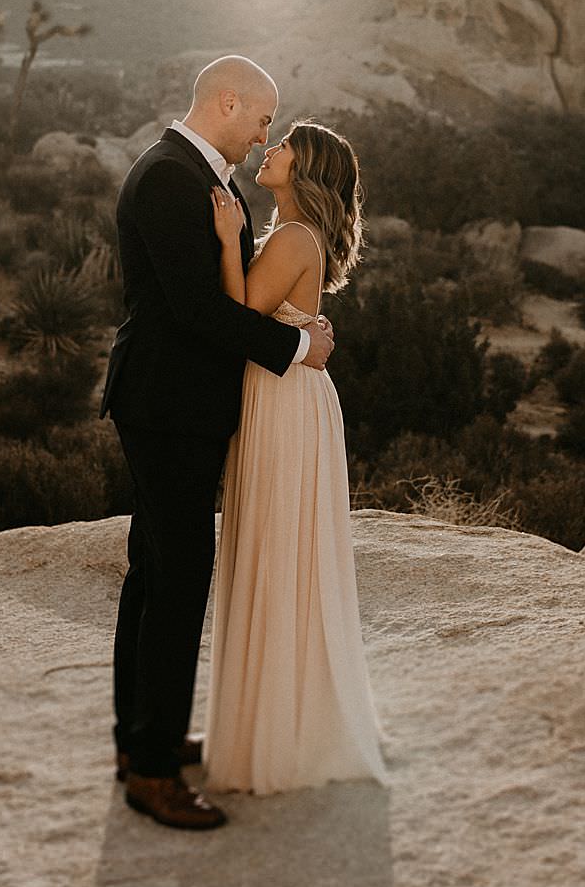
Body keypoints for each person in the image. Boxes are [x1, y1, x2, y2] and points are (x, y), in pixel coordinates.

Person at [101, 55, 336, 831]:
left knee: (153, 571)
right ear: (228, 103)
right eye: (263, 118)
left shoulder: (201, 176)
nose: (267, 133)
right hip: (168, 404)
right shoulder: (171, 176)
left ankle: (141, 742)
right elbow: (200, 310)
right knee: (177, 582)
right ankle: (156, 771)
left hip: (175, 403)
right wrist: (300, 351)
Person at [202, 120, 387, 795]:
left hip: (282, 395)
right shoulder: (294, 235)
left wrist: (226, 241)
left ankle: (276, 734)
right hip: (286, 387)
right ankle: (274, 718)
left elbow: (239, 310)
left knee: (277, 551)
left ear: (304, 171)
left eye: (284, 147)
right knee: (280, 549)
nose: (270, 150)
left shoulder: (291, 236)